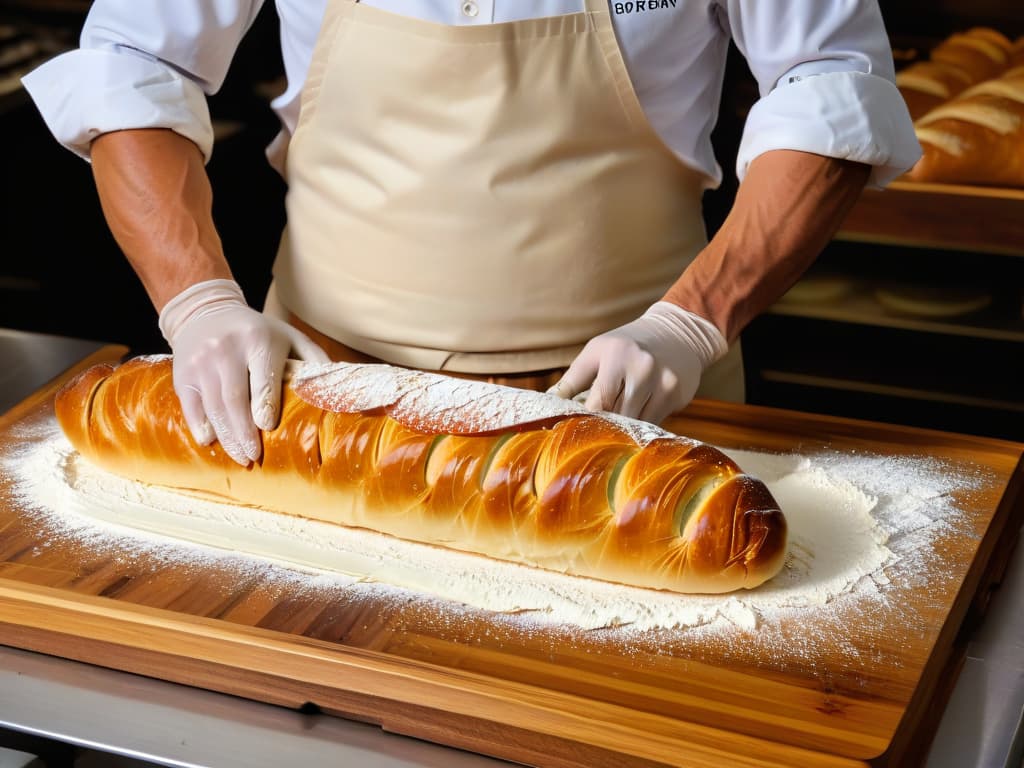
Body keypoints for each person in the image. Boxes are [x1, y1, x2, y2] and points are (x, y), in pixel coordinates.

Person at [24, 0, 920, 466]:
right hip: (312, 399)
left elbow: (828, 89)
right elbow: (137, 62)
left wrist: (691, 321)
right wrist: (200, 302)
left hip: (643, 408)